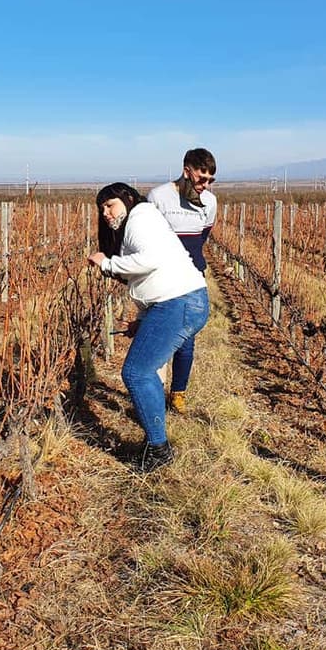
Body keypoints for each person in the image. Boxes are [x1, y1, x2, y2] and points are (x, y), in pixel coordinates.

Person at [88, 183, 209, 472]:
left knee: (136, 372)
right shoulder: (144, 218)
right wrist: (142, 322)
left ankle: (158, 448)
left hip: (178, 302)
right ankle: (155, 441)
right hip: (180, 301)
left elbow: (149, 260)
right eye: (102, 208)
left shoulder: (140, 216)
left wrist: (107, 264)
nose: (106, 213)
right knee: (143, 371)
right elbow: (155, 275)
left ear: (127, 199)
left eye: (110, 205)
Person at [146, 148, 217, 413]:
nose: (205, 185)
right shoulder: (158, 197)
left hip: (191, 280)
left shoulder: (210, 202)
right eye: (201, 179)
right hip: (161, 280)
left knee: (186, 341)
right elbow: (148, 236)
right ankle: (152, 396)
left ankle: (178, 394)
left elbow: (201, 238)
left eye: (210, 181)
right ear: (187, 170)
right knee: (157, 342)